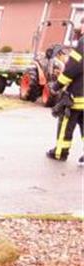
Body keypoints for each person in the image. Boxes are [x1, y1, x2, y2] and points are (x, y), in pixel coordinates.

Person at [46, 22, 83, 164]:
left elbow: (74, 67)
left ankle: (60, 152)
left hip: (77, 96)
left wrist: (57, 85)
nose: (80, 27)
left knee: (66, 123)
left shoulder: (83, 42)